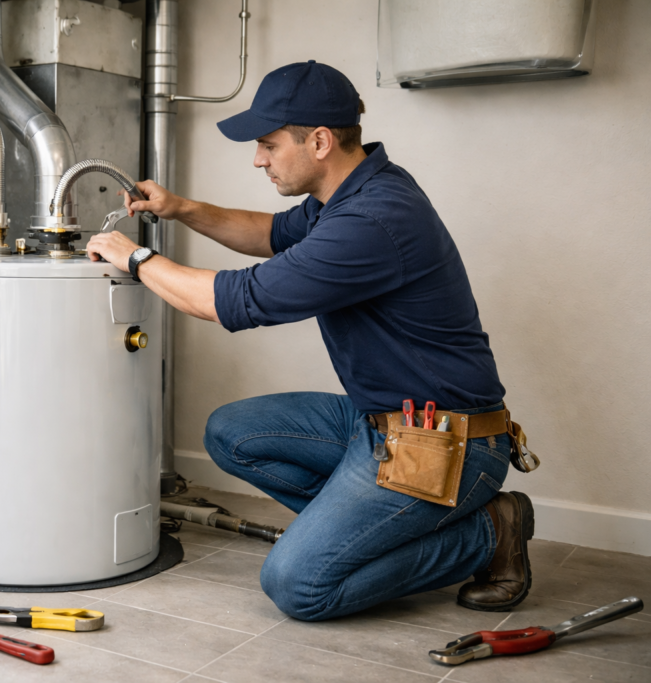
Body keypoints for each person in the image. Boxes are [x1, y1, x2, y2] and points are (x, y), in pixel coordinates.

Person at [86, 60, 535, 621]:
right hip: (378, 422)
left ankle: (489, 532)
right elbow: (270, 233)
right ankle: (368, 525)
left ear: (319, 141)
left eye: (269, 145)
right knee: (231, 434)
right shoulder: (350, 192)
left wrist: (134, 258)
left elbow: (228, 301)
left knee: (299, 585)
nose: (258, 158)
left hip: (446, 443)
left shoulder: (372, 221)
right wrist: (181, 208)